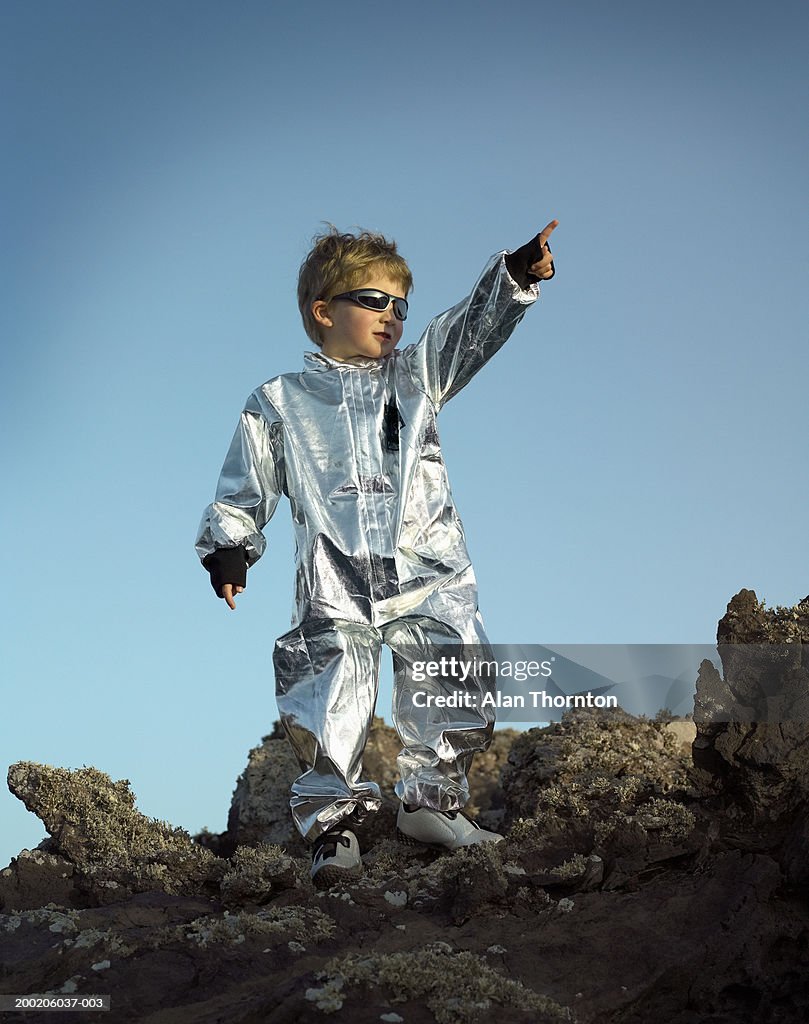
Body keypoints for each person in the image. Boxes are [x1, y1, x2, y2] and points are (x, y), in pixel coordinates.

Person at [195, 220, 558, 887]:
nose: (390, 316)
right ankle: (334, 832)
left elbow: (466, 333)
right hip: (334, 578)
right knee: (329, 697)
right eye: (372, 300)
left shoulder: (417, 377)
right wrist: (230, 548)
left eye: (399, 305)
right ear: (324, 309)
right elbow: (245, 486)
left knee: (457, 670)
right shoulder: (278, 402)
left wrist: (510, 279)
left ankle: (431, 803)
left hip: (427, 568)